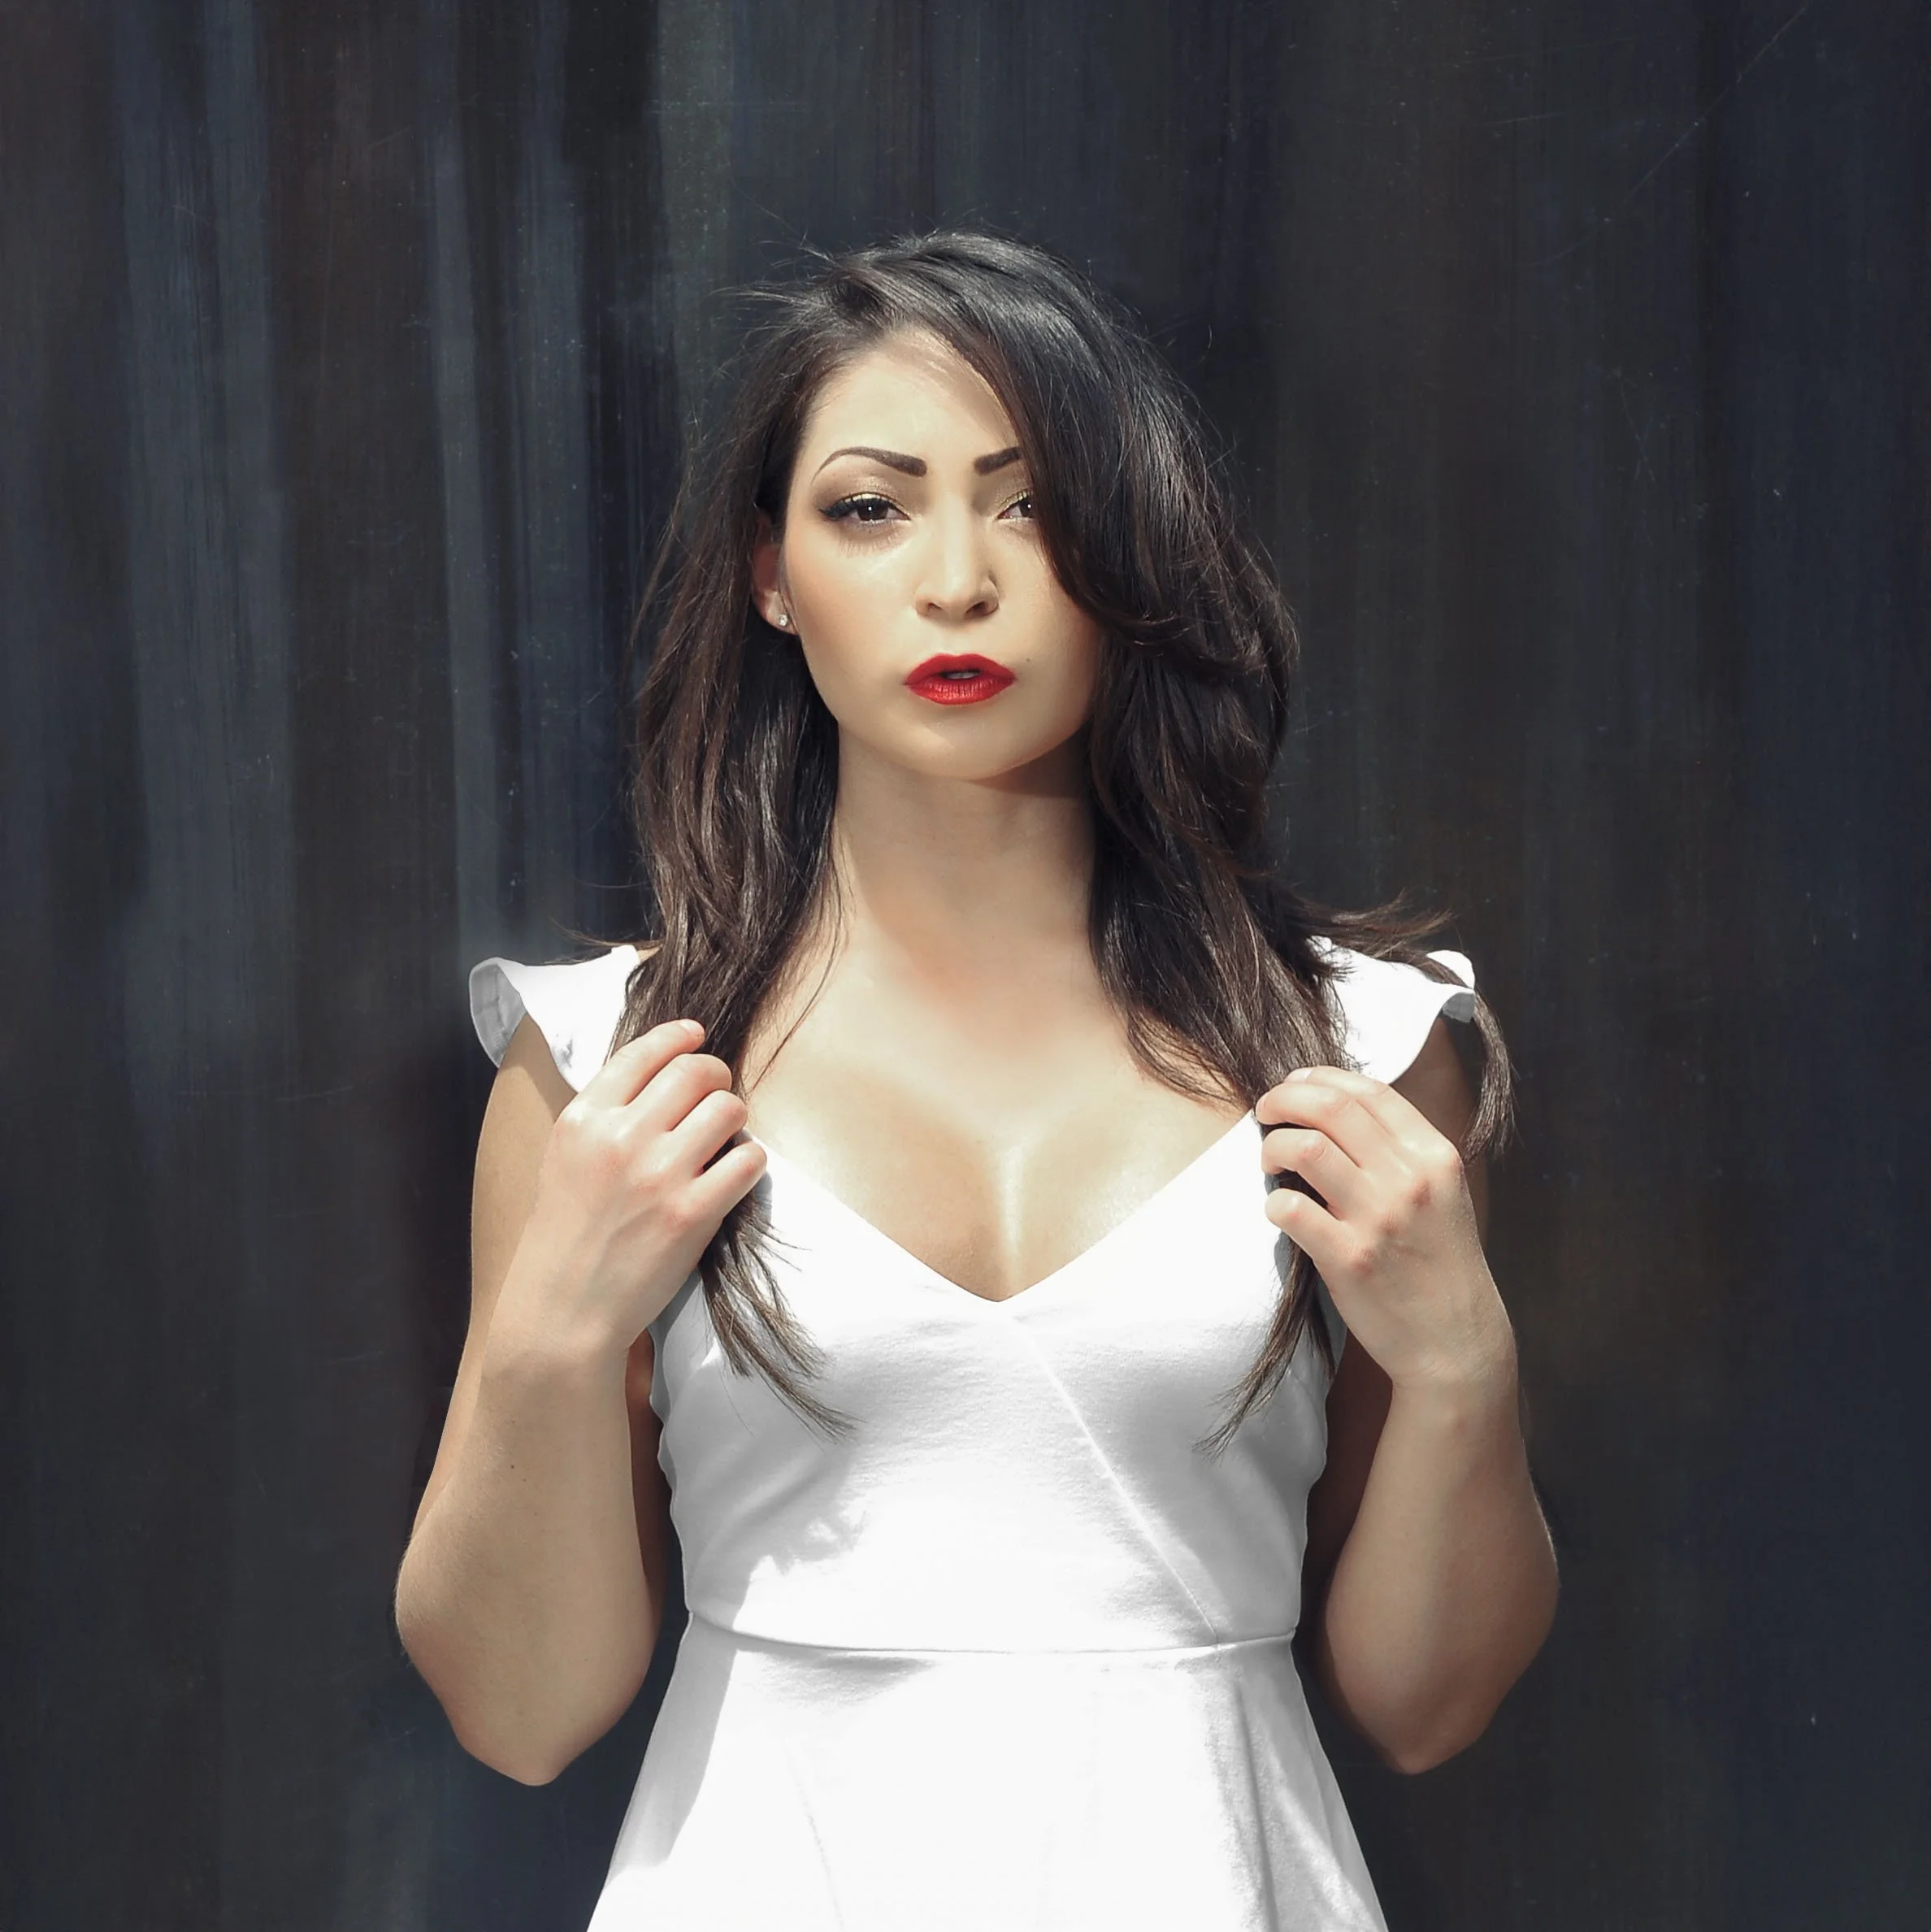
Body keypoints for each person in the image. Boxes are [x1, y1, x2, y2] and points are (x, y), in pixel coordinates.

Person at [394, 229, 1558, 1930]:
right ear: (771, 573)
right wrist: (557, 1335)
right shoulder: (608, 1075)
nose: (957, 580)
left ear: (1127, 558)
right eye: (874, 507)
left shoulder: (1362, 1053)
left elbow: (1425, 1705)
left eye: (1029, 506)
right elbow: (519, 1712)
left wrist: (1463, 1366)